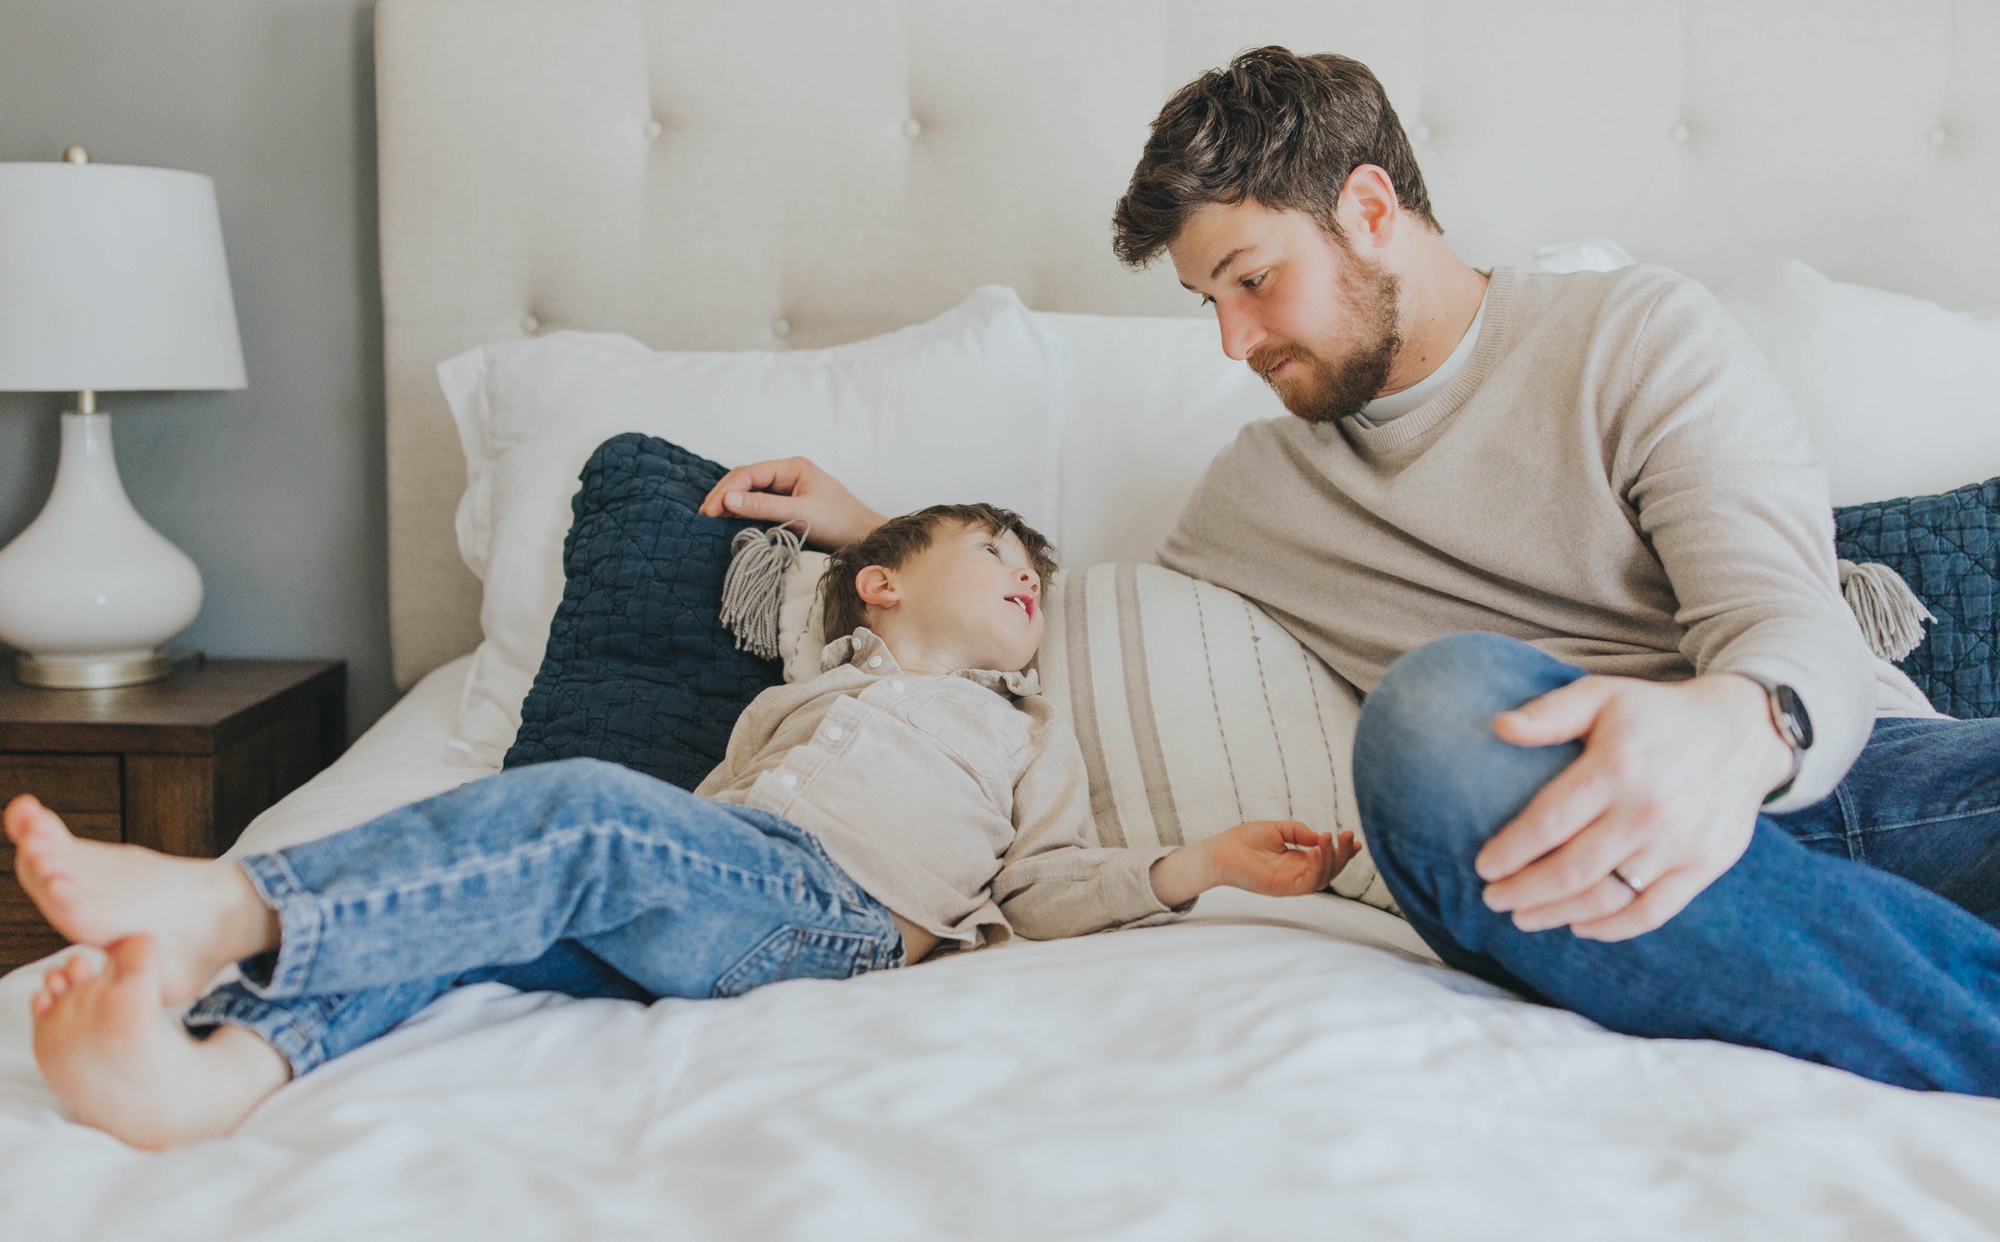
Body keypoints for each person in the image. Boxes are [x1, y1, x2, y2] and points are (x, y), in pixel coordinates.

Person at [696, 49, 2000, 1094]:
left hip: (1835, 789)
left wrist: (1736, 727)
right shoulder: (1259, 492)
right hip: (1547, 838)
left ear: (1371, 210)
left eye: (1253, 281)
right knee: (1434, 720)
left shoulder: (1629, 337)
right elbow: (1069, 618)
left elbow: (1787, 617)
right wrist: (878, 533)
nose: (1232, 341)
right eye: (1208, 303)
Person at [9, 502, 1358, 1149]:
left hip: (835, 916)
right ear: (881, 586)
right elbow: (720, 805)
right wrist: (852, 520)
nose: (1025, 581)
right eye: (997, 553)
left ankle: (229, 903)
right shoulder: (803, 695)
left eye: (1036, 579)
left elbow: (1051, 885)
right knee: (463, 919)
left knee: (590, 810)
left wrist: (1201, 866)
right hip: (717, 898)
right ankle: (218, 1070)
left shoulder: (1024, 729)